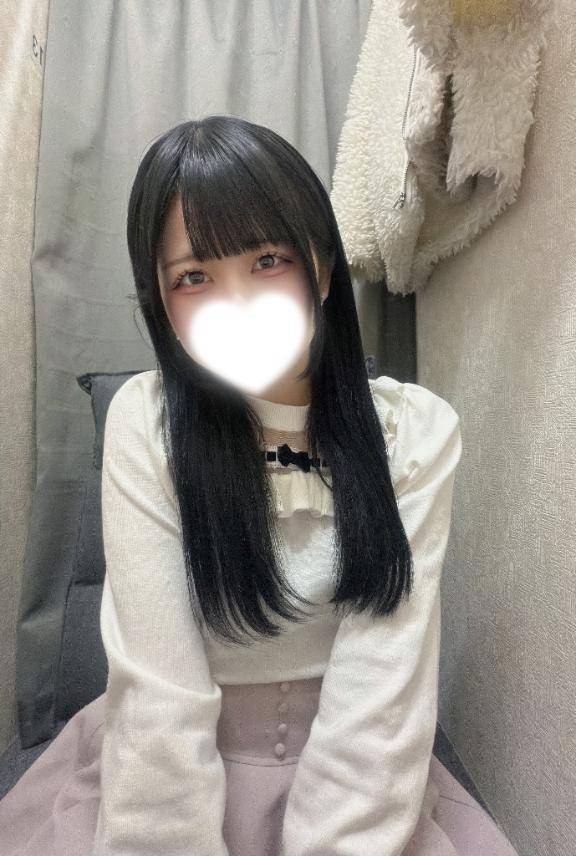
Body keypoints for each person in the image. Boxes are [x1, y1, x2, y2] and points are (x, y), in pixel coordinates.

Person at [0, 115, 518, 856]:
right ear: (160, 302)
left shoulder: (417, 434)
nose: (237, 303)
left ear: (323, 267)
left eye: (268, 259)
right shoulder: (145, 422)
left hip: (361, 779)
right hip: (167, 778)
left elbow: (383, 686)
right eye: (193, 277)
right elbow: (159, 689)